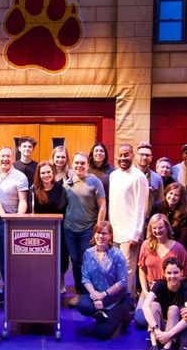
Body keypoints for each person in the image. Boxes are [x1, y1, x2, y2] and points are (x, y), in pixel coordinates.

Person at [64, 153, 108, 305]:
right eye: (76, 163)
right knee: (75, 261)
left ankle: (93, 293)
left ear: (88, 165)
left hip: (88, 229)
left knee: (88, 261)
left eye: (82, 163)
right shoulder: (68, 183)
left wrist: (99, 228)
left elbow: (102, 205)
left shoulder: (95, 181)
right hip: (69, 229)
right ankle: (79, 293)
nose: (79, 166)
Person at [0, 147, 29, 295]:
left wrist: (18, 218)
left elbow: (23, 201)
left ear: (13, 159)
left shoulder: (20, 177)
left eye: (8, 156)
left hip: (12, 221)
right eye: (2, 156)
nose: (5, 159)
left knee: (11, 256)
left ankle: (12, 287)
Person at [136, 214, 187, 329]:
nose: (157, 231)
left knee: (171, 314)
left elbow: (186, 274)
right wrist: (145, 291)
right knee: (140, 321)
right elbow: (141, 268)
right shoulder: (145, 245)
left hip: (170, 291)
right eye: (154, 228)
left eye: (160, 227)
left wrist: (169, 281)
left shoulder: (179, 248)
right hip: (150, 290)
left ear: (167, 227)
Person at [109, 143, 149, 299]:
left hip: (130, 233)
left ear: (133, 155)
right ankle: (122, 300)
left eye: (126, 154)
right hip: (114, 231)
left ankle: (124, 302)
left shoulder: (139, 177)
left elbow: (141, 207)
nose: (123, 158)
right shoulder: (113, 175)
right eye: (120, 155)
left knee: (127, 270)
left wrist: (136, 233)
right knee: (115, 269)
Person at [76, 221, 128, 339]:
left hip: (117, 298)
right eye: (98, 233)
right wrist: (95, 295)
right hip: (97, 295)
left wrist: (103, 295)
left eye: (104, 233)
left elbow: (123, 282)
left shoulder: (117, 254)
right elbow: (85, 278)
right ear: (94, 234)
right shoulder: (88, 253)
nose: (100, 236)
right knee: (82, 305)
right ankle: (102, 314)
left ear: (110, 235)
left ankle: (122, 316)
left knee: (102, 333)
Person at [141, 256, 187, 350]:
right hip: (158, 329)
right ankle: (154, 347)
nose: (172, 276)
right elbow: (145, 306)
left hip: (174, 331)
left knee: (174, 308)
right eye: (169, 273)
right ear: (164, 273)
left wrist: (168, 334)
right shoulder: (159, 284)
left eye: (175, 273)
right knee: (153, 305)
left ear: (181, 273)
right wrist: (156, 329)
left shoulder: (186, 289)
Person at [152, 182, 187, 251]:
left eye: (176, 195)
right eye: (170, 193)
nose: (172, 197)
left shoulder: (185, 212)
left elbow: (183, 235)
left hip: (176, 243)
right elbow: (152, 227)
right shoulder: (157, 206)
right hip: (158, 242)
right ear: (166, 193)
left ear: (180, 198)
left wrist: (174, 248)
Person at [135, 142, 164, 208]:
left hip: (149, 214)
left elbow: (160, 201)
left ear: (151, 158)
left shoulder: (157, 178)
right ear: (135, 156)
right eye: (141, 154)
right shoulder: (128, 175)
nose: (144, 157)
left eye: (147, 155)